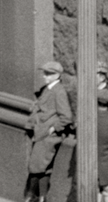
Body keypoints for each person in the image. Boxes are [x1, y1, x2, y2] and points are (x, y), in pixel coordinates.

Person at [24, 61, 73, 202]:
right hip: (41, 133)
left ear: (57, 75)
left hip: (47, 136)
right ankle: (41, 197)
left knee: (35, 166)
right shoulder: (48, 89)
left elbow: (66, 117)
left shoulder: (59, 91)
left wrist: (53, 129)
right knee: (42, 167)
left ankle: (31, 196)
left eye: (48, 74)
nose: (44, 76)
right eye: (44, 73)